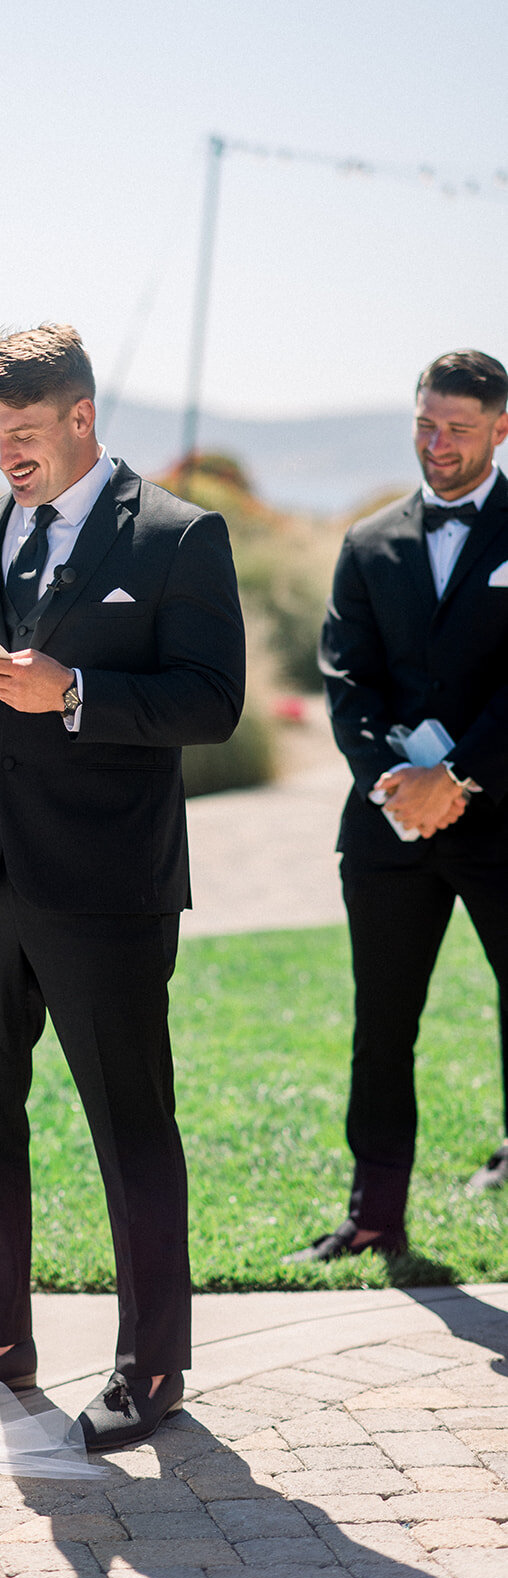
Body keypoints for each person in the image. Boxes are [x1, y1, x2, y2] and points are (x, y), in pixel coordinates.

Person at [0, 324, 245, 1450]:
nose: (8, 454)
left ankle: (152, 1367)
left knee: (130, 1126)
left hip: (106, 884)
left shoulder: (182, 537)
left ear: (83, 416)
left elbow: (210, 700)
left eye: (27, 433)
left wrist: (80, 691)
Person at [290, 349, 508, 1265]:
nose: (438, 443)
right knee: (382, 1023)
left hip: (502, 819)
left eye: (458, 427)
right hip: (386, 826)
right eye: (426, 423)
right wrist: (400, 786)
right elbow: (346, 679)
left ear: (501, 428)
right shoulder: (369, 541)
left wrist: (456, 779)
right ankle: (374, 1213)